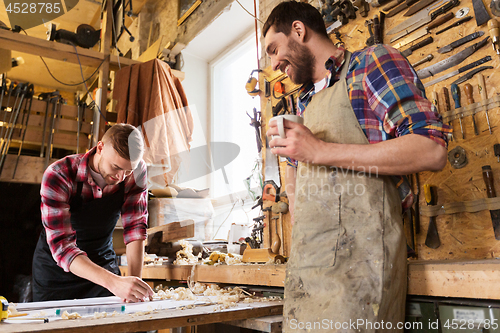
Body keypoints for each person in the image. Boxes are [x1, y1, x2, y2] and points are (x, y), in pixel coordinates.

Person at [263, 2, 450, 332]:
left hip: (362, 276)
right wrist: (293, 180)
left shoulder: (372, 62)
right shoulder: (302, 101)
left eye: (274, 49)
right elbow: (299, 174)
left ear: (298, 30)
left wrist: (320, 150)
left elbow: (430, 149)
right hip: (308, 275)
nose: (274, 63)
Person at [32, 124, 154, 303]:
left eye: (127, 171)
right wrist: (113, 283)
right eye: (115, 167)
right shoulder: (59, 175)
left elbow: (135, 228)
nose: (121, 178)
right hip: (57, 274)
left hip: (102, 262)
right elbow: (63, 248)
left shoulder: (136, 171)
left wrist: (134, 286)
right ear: (100, 148)